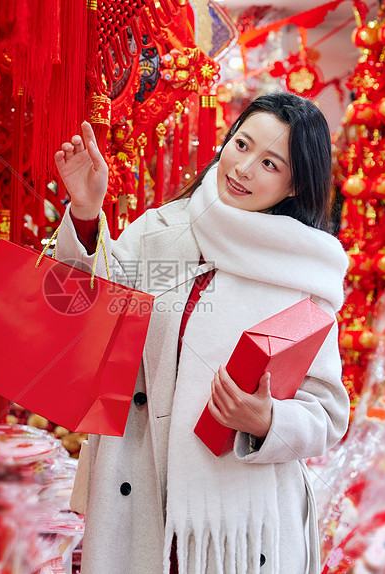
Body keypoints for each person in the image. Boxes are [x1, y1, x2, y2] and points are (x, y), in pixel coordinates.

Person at [54, 92, 350, 574]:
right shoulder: (160, 233)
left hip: (240, 531)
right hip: (139, 492)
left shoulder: (304, 273)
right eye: (242, 144)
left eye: (270, 163)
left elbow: (328, 413)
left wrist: (267, 421)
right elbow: (81, 310)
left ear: (295, 185)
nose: (244, 168)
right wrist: (86, 215)